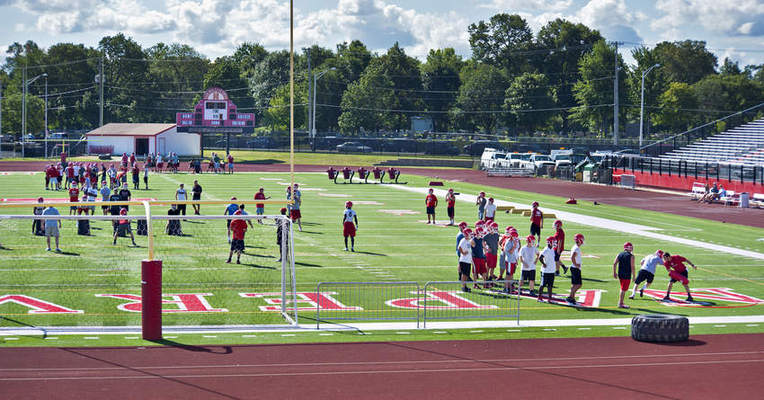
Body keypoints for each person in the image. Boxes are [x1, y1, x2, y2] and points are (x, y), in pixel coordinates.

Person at [613, 242, 636, 309]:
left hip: (620, 273)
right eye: (630, 247)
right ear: (627, 247)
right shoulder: (631, 256)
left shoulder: (619, 254)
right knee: (623, 289)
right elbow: (632, 267)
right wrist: (634, 276)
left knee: (623, 288)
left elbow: (614, 264)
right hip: (627, 274)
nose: (632, 248)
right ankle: (620, 303)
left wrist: (614, 272)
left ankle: (621, 302)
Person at [537, 236, 557, 302]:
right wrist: (543, 263)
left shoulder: (552, 249)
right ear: (550, 242)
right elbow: (540, 257)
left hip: (551, 270)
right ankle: (539, 297)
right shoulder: (546, 249)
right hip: (545, 271)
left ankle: (550, 298)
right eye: (553, 241)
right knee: (542, 285)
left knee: (550, 286)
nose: (554, 243)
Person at [567, 233, 585, 305]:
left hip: (574, 268)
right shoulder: (576, 248)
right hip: (575, 268)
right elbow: (572, 257)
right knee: (578, 284)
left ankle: (572, 298)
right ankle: (570, 297)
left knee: (574, 284)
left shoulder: (575, 247)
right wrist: (576, 264)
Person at [501, 228, 519, 293]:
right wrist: (514, 246)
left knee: (511, 274)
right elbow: (510, 252)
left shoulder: (516, 241)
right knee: (508, 274)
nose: (515, 237)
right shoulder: (508, 242)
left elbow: (516, 252)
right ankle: (506, 288)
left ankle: (510, 287)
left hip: (513, 260)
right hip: (509, 260)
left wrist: (517, 260)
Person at [458, 228, 475, 293]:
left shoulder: (469, 240)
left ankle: (465, 286)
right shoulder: (463, 240)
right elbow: (459, 247)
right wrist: (463, 252)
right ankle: (463, 286)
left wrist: (472, 241)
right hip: (464, 260)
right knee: (464, 274)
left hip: (468, 260)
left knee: (466, 274)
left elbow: (473, 245)